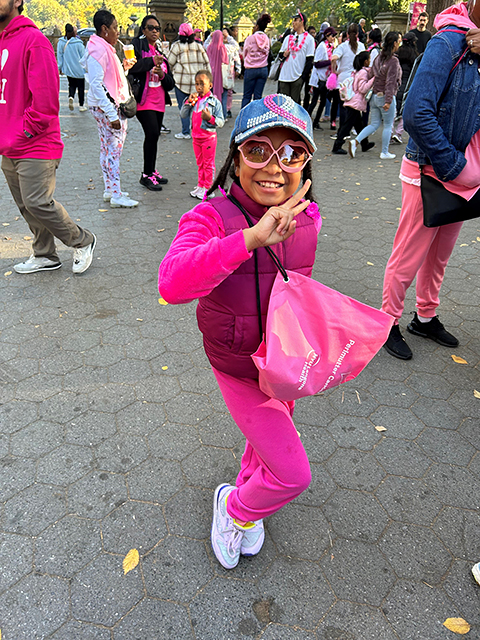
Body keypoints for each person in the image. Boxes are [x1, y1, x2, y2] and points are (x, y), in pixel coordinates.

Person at [158, 94, 320, 570]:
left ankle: (248, 486)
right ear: (235, 157)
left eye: (291, 153)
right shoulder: (210, 217)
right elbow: (172, 283)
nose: (274, 167)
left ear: (305, 164)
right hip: (238, 367)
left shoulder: (308, 217)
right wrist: (249, 238)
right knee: (292, 474)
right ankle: (234, 509)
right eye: (258, 150)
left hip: (283, 364)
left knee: (263, 451)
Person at [382, 0, 480, 360]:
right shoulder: (448, 43)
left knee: (439, 257)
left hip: (464, 182)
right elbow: (415, 112)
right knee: (408, 256)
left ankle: (424, 317)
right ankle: (387, 322)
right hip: (431, 171)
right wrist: (453, 165)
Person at [0, 0, 96, 275]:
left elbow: (46, 101)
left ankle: (83, 240)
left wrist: (24, 131)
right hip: (8, 143)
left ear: (18, 1)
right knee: (26, 206)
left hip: (36, 143)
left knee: (37, 202)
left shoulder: (34, 40)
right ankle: (45, 254)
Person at [82, 9, 138, 208]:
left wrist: (124, 68)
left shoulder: (101, 47)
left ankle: (110, 189)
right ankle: (116, 193)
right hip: (107, 108)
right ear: (104, 29)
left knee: (107, 149)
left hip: (103, 106)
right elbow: (97, 85)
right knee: (113, 151)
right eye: (115, 28)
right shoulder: (99, 50)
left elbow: (107, 79)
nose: (118, 32)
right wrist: (112, 114)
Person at [129, 14, 175, 191]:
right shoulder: (137, 45)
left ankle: (152, 171)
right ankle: (146, 175)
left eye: (157, 28)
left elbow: (170, 83)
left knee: (154, 136)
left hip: (159, 101)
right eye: (151, 28)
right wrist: (150, 62)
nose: (154, 31)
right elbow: (132, 67)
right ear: (143, 30)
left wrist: (162, 75)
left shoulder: (161, 50)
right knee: (152, 133)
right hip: (144, 100)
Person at [349, 31, 401, 160]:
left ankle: (356, 141)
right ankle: (384, 152)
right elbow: (391, 82)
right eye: (399, 41)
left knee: (374, 124)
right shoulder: (393, 61)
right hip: (385, 96)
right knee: (388, 125)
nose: (400, 44)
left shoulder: (378, 58)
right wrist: (388, 100)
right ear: (394, 43)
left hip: (374, 96)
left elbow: (371, 74)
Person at [180, 69, 224, 200]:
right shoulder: (194, 100)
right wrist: (188, 103)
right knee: (200, 163)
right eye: (197, 84)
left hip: (208, 138)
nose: (199, 87)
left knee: (208, 163)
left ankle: (209, 188)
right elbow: (183, 115)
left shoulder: (214, 102)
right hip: (196, 137)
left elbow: (221, 121)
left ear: (210, 85)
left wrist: (210, 118)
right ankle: (201, 185)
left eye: (202, 84)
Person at [168, 22, 211, 139]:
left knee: (184, 107)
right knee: (197, 107)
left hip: (181, 82)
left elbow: (169, 63)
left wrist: (171, 73)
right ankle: (197, 130)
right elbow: (207, 63)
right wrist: (208, 80)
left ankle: (185, 132)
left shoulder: (176, 46)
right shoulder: (199, 46)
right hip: (197, 84)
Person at [332, 51, 375, 155]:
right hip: (356, 102)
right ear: (365, 61)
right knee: (347, 125)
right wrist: (373, 80)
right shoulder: (363, 73)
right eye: (369, 59)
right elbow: (362, 88)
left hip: (353, 100)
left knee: (358, 124)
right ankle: (337, 145)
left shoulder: (357, 72)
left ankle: (364, 143)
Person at [331, 22, 365, 131]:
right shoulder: (361, 46)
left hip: (343, 80)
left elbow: (333, 58)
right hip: (356, 80)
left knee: (343, 107)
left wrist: (334, 71)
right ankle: (352, 130)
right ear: (358, 34)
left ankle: (342, 130)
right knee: (354, 107)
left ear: (347, 34)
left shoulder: (342, 47)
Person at [278, 12, 315, 104]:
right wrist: (284, 54)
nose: (293, 23)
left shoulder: (309, 39)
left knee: (294, 104)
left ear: (302, 22)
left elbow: (309, 60)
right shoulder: (288, 38)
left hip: (297, 76)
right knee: (283, 104)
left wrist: (302, 78)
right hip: (284, 76)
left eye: (295, 20)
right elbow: (280, 55)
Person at [391, 31, 418, 144]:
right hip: (408, 84)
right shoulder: (415, 55)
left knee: (393, 110)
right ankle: (398, 133)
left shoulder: (397, 52)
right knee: (404, 109)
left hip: (396, 83)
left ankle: (389, 132)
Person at [308, 26, 337, 129]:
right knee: (314, 101)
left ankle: (316, 122)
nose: (333, 38)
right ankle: (306, 120)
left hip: (325, 78)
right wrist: (330, 61)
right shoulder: (322, 46)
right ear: (327, 36)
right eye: (332, 36)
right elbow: (317, 63)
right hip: (318, 78)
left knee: (323, 102)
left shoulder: (330, 46)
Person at [241, 13, 271, 109]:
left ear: (257, 26)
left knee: (247, 96)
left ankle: (244, 116)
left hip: (250, 69)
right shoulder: (267, 39)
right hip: (263, 69)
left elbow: (244, 53)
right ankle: (257, 115)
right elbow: (268, 53)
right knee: (258, 97)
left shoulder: (250, 38)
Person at [57, 24, 87, 112]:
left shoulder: (61, 42)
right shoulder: (78, 43)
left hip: (68, 68)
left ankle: (71, 96)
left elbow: (60, 55)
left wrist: (60, 67)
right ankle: (81, 106)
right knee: (81, 87)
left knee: (71, 84)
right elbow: (84, 56)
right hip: (79, 69)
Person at [206, 30, 229, 117]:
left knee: (211, 96)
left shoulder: (209, 47)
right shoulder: (222, 47)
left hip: (211, 74)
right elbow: (225, 60)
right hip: (221, 74)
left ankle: (212, 114)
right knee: (223, 96)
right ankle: (223, 115)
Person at [222, 27, 241, 118]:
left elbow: (237, 57)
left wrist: (238, 68)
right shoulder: (219, 46)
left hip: (230, 71)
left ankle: (228, 108)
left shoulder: (230, 47)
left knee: (229, 91)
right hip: (221, 72)